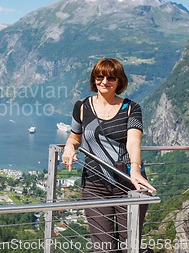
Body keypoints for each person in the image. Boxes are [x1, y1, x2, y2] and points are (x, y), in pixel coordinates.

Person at [61, 58, 156, 253]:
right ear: (93, 79)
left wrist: (136, 170)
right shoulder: (82, 106)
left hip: (129, 184)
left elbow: (133, 141)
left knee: (129, 245)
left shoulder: (131, 108)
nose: (104, 82)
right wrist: (69, 147)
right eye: (99, 77)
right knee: (103, 247)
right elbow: (74, 137)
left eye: (110, 78)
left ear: (119, 81)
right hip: (94, 185)